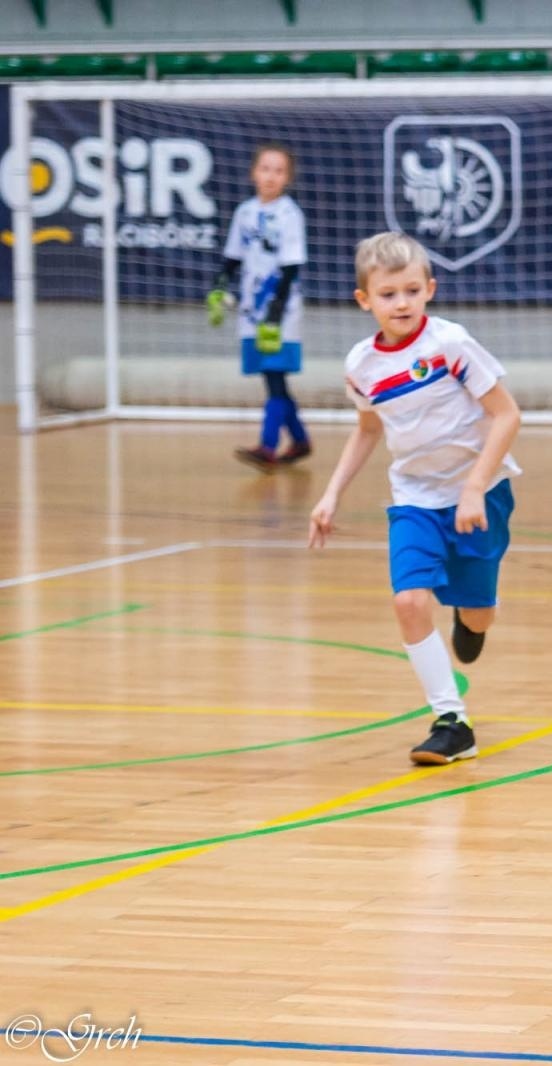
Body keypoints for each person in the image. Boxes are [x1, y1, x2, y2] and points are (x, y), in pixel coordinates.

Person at [307, 231, 521, 765]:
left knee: (478, 617)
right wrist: (330, 494)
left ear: (429, 289)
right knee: (407, 601)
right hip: (414, 499)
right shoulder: (362, 366)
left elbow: (507, 414)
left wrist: (474, 486)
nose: (400, 303)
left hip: (480, 495)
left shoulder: (450, 345)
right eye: (387, 294)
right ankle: (452, 720)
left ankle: (470, 620)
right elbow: (367, 430)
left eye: (410, 291)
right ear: (365, 300)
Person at [209, 142, 312, 471]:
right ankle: (299, 441)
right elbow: (233, 256)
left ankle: (268, 446)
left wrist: (275, 313)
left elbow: (291, 267)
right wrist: (219, 285)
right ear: (254, 173)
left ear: (288, 178)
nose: (271, 176)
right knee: (272, 378)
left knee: (275, 378)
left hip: (280, 311)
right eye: (265, 168)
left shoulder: (289, 215)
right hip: (252, 309)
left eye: (279, 171)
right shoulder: (245, 212)